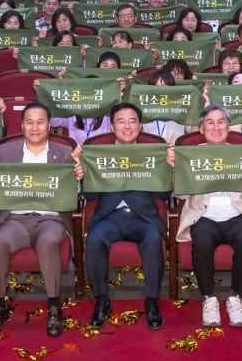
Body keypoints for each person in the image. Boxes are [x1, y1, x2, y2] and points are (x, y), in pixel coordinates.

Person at [0, 102, 83, 337]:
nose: (35, 127)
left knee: (47, 243)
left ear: (49, 125)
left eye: (40, 122)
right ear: (22, 125)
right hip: (16, 218)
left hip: (51, 219)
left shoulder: (64, 153)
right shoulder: (7, 152)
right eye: (30, 122)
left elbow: (73, 192)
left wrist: (78, 177)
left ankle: (54, 306)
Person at [168, 105, 242, 327]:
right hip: (204, 215)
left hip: (238, 214)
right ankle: (209, 298)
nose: (216, 127)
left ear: (228, 126)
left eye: (221, 122)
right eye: (210, 122)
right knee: (202, 241)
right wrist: (176, 169)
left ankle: (236, 297)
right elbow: (182, 194)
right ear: (201, 128)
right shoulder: (191, 155)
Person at [83, 102, 165, 330]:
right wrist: (83, 172)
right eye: (121, 121)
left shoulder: (153, 152)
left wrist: (169, 168)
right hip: (109, 217)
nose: (127, 126)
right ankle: (101, 300)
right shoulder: (99, 153)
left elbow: (164, 194)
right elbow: (89, 195)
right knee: (94, 239)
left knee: (152, 239)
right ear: (112, 126)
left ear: (140, 126)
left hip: (143, 218)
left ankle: (151, 301)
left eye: (132, 121)